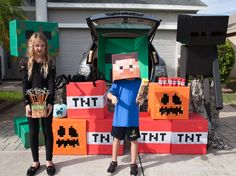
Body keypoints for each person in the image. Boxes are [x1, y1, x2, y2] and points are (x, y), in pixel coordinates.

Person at [21, 32, 56, 176]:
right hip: (32, 103)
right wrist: (26, 103)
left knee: (47, 131)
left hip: (46, 102)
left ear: (45, 46)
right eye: (37, 45)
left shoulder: (50, 62)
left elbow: (51, 82)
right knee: (34, 132)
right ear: (32, 46)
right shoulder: (25, 62)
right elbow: (25, 83)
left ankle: (49, 161)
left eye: (42, 45)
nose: (40, 48)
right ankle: (35, 162)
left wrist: (50, 102)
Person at [106, 52, 143, 176]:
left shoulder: (139, 83)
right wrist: (112, 98)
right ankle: (114, 161)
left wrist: (142, 99)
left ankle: (133, 164)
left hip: (132, 118)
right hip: (119, 118)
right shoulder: (119, 82)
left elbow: (142, 96)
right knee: (116, 140)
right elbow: (109, 93)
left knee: (134, 141)